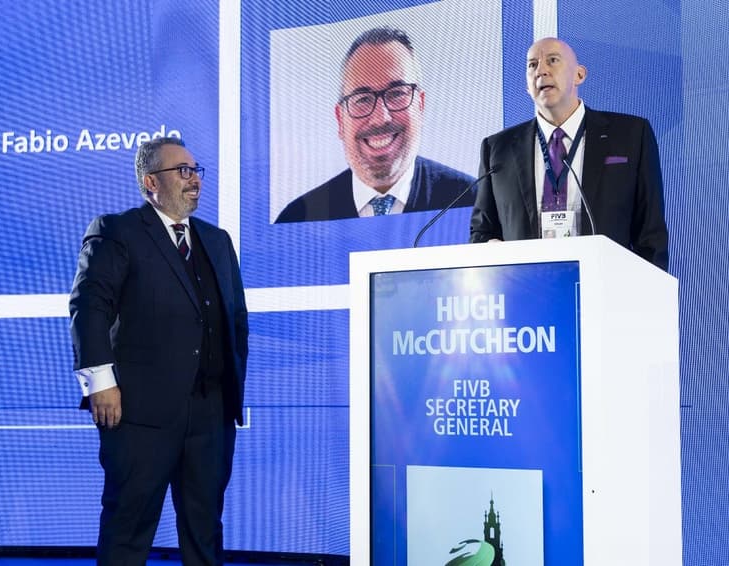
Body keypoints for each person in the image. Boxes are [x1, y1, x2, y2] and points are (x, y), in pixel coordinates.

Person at [69, 137, 249, 565]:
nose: (194, 180)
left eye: (196, 170)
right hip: (138, 413)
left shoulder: (217, 241)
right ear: (151, 182)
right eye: (181, 171)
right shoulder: (117, 231)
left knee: (205, 531)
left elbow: (236, 320)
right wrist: (101, 383)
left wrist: (230, 389)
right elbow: (89, 306)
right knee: (128, 529)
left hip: (211, 414)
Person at [469, 37, 669, 270]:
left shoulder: (631, 135)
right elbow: (482, 232)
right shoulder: (497, 149)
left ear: (579, 75)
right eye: (532, 65)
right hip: (526, 293)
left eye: (552, 60)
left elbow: (651, 234)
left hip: (607, 289)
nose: (541, 71)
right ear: (526, 85)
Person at [275, 26, 475, 223]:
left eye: (397, 93)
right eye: (362, 99)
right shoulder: (297, 218)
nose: (381, 117)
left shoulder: (473, 202)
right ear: (340, 120)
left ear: (420, 106)